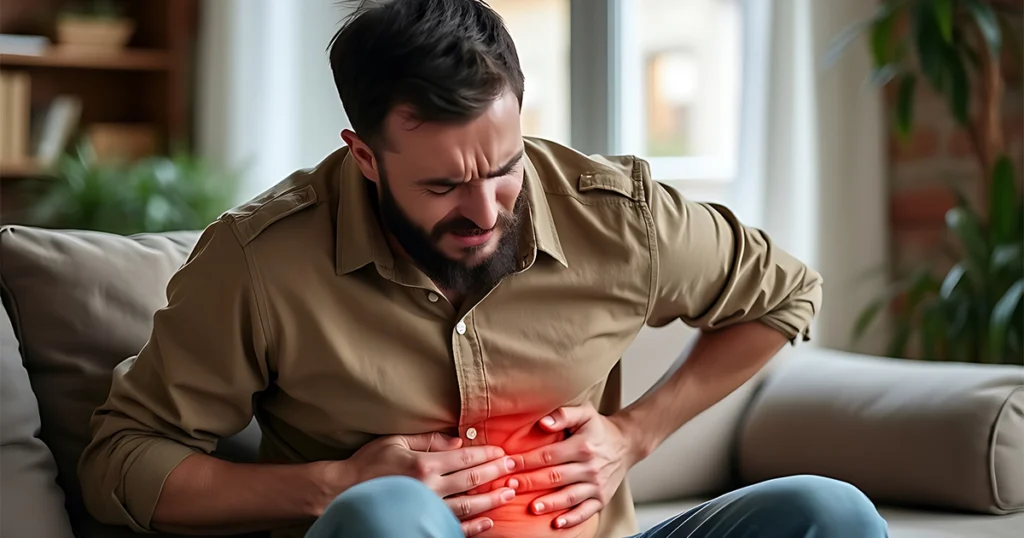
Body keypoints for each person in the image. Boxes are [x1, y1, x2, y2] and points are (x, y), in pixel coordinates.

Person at [77, 1, 889, 537]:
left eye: (504, 165)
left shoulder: (617, 215)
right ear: (363, 156)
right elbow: (120, 458)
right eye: (441, 185)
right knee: (384, 514)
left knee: (830, 512)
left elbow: (785, 295)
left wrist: (635, 436)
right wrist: (332, 484)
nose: (485, 209)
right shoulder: (259, 262)